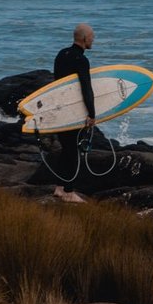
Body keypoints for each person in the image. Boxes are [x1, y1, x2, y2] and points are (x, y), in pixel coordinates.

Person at [48, 23, 97, 202]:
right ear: (84, 39)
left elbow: (57, 85)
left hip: (59, 108)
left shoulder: (61, 54)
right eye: (92, 36)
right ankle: (68, 192)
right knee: (73, 151)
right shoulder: (81, 60)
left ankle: (60, 188)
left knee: (66, 149)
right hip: (73, 111)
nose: (93, 39)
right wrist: (92, 113)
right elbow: (86, 88)